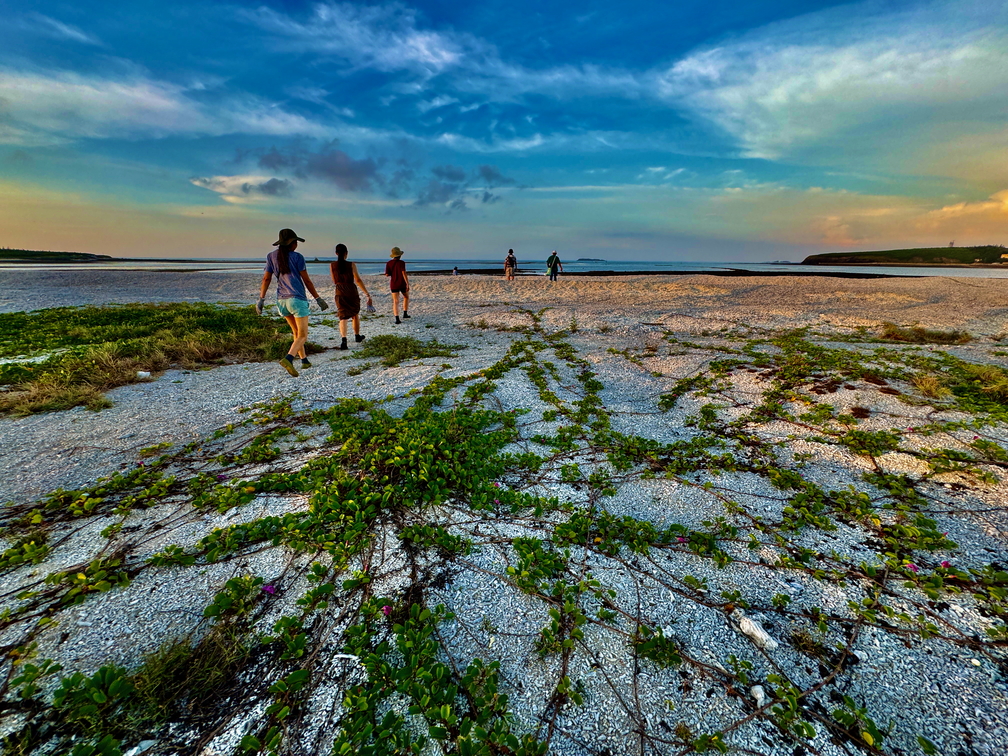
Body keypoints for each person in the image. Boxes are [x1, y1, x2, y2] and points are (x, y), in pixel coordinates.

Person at [257, 228, 327, 377]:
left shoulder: (271, 256)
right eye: (295, 242)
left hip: (282, 301)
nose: (297, 244)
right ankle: (289, 358)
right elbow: (306, 280)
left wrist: (261, 300)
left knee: (295, 332)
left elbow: (266, 279)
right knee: (302, 335)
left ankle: (304, 360)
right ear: (292, 243)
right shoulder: (297, 257)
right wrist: (318, 298)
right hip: (297, 300)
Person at [330, 243, 373, 350]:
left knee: (342, 316)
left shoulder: (332, 265)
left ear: (336, 253)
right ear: (346, 253)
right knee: (355, 313)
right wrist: (367, 293)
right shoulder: (351, 265)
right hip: (351, 290)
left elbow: (334, 280)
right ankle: (357, 336)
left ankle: (344, 340)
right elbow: (357, 280)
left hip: (339, 291)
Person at [384, 246, 410, 324]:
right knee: (406, 297)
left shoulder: (389, 263)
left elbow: (387, 274)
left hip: (394, 283)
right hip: (402, 283)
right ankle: (405, 313)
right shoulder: (402, 263)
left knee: (396, 301)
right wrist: (407, 283)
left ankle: (397, 318)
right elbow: (403, 273)